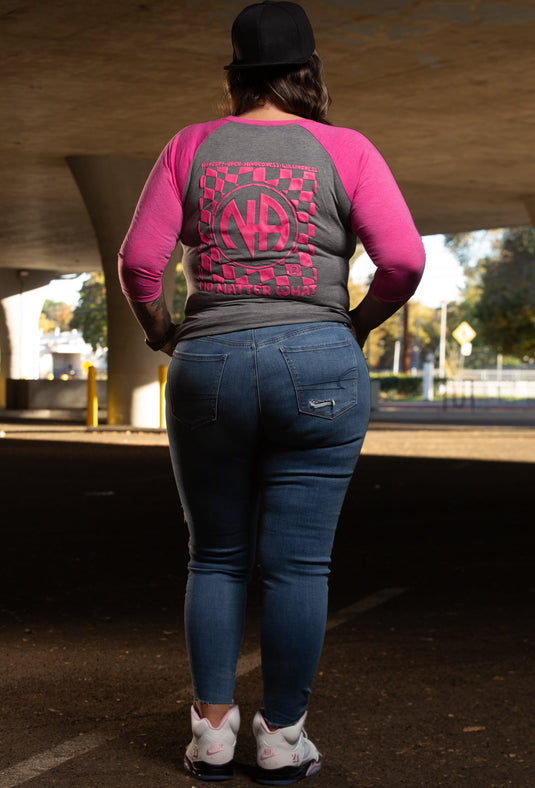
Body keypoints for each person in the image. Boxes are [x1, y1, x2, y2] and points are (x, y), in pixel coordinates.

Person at [118, 1, 425, 782]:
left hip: (210, 360)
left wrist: (162, 331)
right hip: (319, 360)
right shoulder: (346, 150)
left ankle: (211, 734)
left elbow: (138, 265)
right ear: (309, 73)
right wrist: (353, 324)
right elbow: (404, 261)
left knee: (216, 556)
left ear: (235, 73)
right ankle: (281, 738)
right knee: (299, 567)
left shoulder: (191, 145)